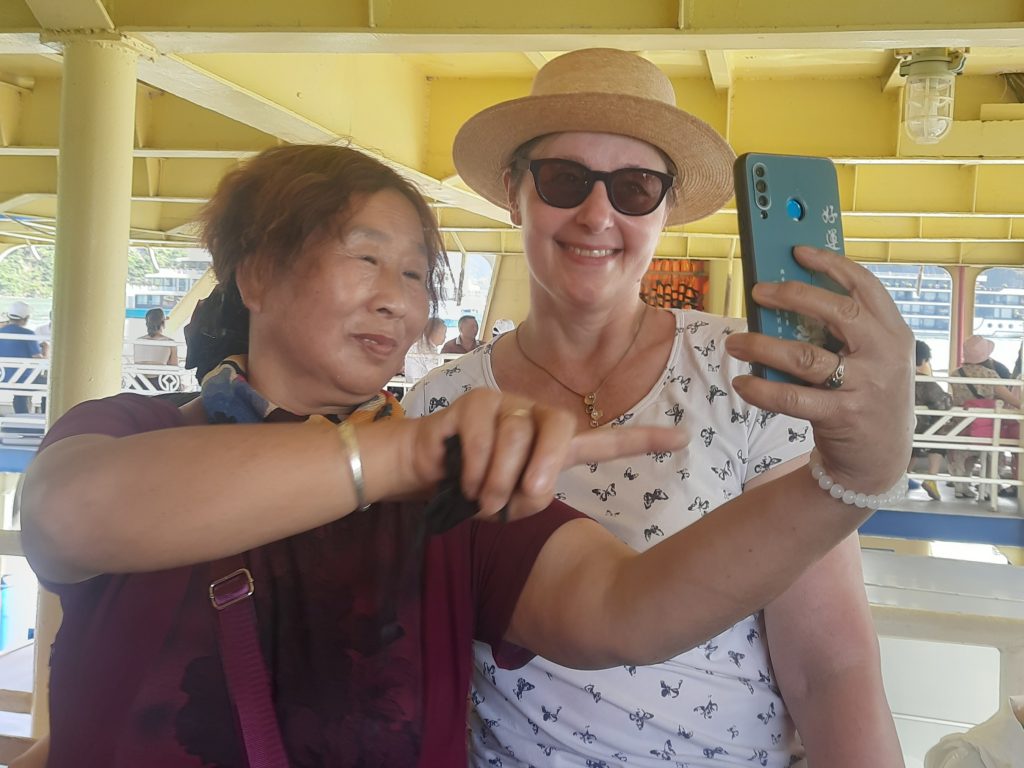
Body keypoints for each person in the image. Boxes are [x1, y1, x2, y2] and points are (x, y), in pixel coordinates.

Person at [19, 144, 909, 767]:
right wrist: (399, 457)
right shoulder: (133, 431)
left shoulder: (453, 480)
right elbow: (69, 516)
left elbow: (621, 611)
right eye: (366, 259)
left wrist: (845, 482)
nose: (396, 301)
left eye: (415, 275)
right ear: (255, 274)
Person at [407, 47, 911, 768]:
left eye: (635, 189)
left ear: (665, 210)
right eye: (564, 179)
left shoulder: (747, 371)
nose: (596, 214)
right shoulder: (439, 405)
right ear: (514, 193)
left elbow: (830, 667)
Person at [949, 334, 1022, 500]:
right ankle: (988, 487)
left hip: (961, 424)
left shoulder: (955, 374)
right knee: (993, 452)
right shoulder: (990, 375)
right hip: (985, 426)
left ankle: (962, 486)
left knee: (967, 452)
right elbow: (1011, 399)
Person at [913, 340, 951, 501]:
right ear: (922, 360)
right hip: (916, 427)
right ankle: (931, 478)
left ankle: (902, 476)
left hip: (888, 428)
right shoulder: (924, 382)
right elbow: (942, 405)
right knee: (941, 433)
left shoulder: (889, 377)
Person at [0, 300, 44, 414]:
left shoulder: (1, 332)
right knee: (49, 384)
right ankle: (46, 414)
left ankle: (22, 414)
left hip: (2, 377)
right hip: (22, 379)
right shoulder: (28, 334)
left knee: (23, 382)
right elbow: (37, 359)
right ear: (26, 318)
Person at [133, 307, 180, 391]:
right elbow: (174, 368)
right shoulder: (169, 342)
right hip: (159, 384)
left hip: (138, 383)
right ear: (163, 323)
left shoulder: (138, 341)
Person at [402, 316, 446, 383]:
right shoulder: (426, 349)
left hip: (416, 385)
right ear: (434, 332)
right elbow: (435, 372)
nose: (445, 336)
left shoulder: (419, 345)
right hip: (422, 385)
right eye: (443, 333)